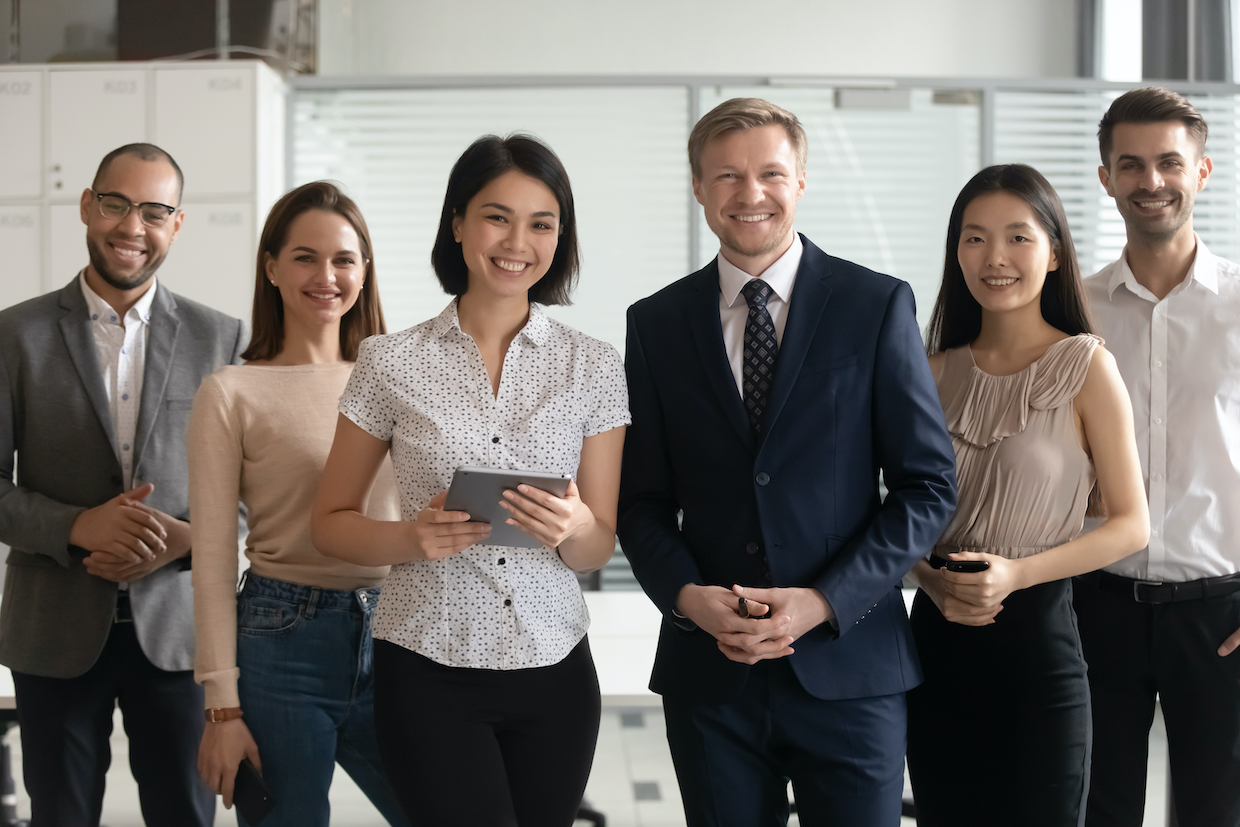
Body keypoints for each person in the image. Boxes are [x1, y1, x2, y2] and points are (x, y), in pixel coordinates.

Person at [616, 97, 958, 826]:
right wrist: (688, 597)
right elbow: (640, 501)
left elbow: (927, 486)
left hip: (851, 667)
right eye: (727, 175)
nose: (751, 193)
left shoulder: (875, 304)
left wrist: (824, 601)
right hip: (712, 676)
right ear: (698, 186)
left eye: (771, 173)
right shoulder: (655, 323)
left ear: (801, 180)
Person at [310, 134, 629, 826]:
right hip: (427, 668)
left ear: (560, 238)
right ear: (457, 224)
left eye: (541, 223)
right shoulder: (389, 361)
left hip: (554, 668)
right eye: (496, 217)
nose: (517, 242)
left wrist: (575, 526)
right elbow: (329, 523)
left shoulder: (594, 366)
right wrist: (409, 537)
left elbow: (597, 545)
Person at [0, 143, 245, 826]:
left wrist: (190, 540)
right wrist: (77, 526)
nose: (132, 227)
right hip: (53, 629)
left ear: (176, 224)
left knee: (184, 815)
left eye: (154, 212)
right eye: (115, 204)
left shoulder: (222, 338)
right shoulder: (13, 334)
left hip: (179, 634)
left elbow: (256, 492)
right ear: (87, 205)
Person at [904, 164, 1149, 827]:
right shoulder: (927, 372)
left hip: (1038, 646)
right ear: (957, 253)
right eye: (975, 238)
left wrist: (1015, 574)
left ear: (1055, 253)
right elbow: (891, 514)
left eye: (1018, 237)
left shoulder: (1088, 366)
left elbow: (1131, 524)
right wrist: (927, 577)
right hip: (934, 643)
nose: (995, 257)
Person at [188, 181, 410, 826]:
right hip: (281, 640)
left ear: (364, 271)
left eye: (344, 259)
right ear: (272, 267)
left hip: (401, 631)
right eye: (305, 257)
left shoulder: (401, 377)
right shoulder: (231, 392)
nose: (326, 277)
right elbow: (211, 558)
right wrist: (221, 708)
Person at [1073, 87, 1240, 827]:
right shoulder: (1072, 311)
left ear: (1201, 172)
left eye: (1170, 162)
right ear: (1106, 177)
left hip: (1223, 613)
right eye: (1131, 164)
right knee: (1095, 809)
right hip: (1095, 605)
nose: (1151, 181)